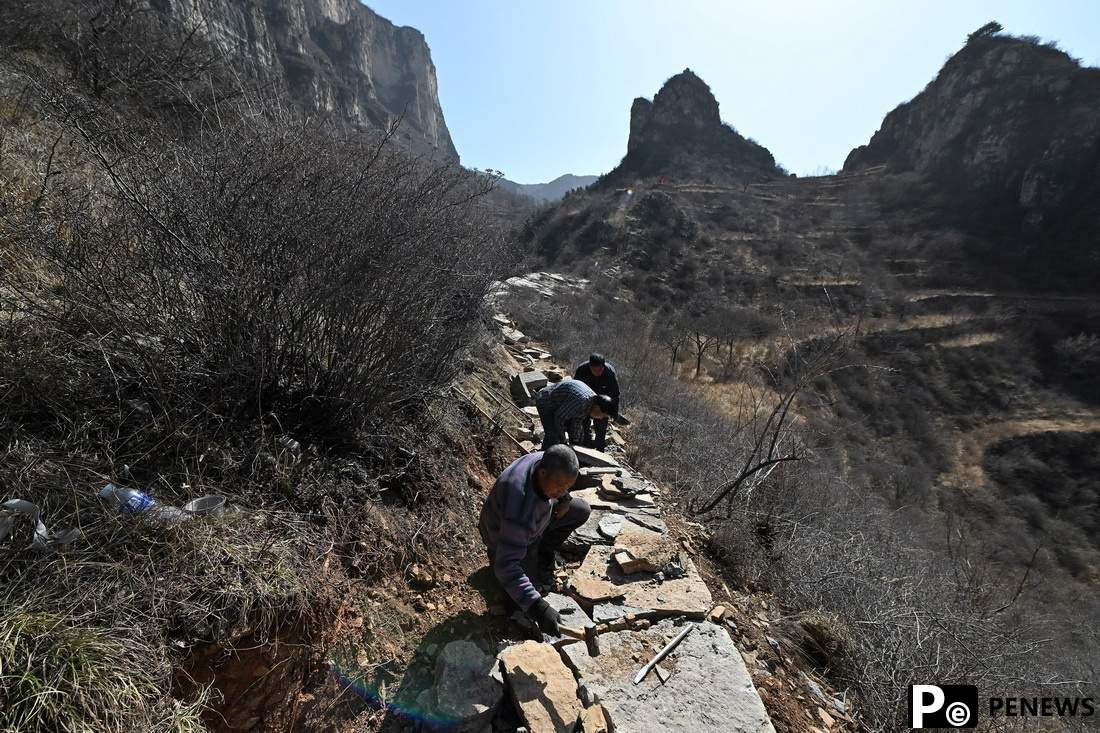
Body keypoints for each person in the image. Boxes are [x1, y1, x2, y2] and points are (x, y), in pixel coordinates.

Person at [478, 445, 591, 635]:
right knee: (519, 604)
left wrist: (564, 499)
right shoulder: (520, 506)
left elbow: (560, 486)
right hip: (502, 536)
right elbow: (507, 567)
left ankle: (543, 553)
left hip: (535, 523)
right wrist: (538, 607)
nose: (562, 491)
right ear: (543, 472)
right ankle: (513, 559)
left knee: (580, 510)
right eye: (559, 487)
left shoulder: (545, 461)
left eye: (567, 487)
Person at [533, 378, 614, 449]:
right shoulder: (581, 402)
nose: (600, 418)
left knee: (577, 435)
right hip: (546, 401)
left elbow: (576, 422)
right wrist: (563, 439)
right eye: (602, 415)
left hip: (560, 404)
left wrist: (575, 440)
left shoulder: (591, 403)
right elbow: (559, 418)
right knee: (553, 435)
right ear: (598, 408)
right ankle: (542, 459)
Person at [573, 353, 620, 451]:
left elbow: (615, 394)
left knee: (601, 429)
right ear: (590, 366)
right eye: (594, 370)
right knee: (583, 426)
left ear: (604, 366)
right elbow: (575, 389)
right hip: (584, 402)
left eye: (600, 370)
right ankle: (585, 447)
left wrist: (614, 411)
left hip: (603, 404)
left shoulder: (609, 372)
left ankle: (600, 451)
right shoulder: (582, 370)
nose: (597, 372)